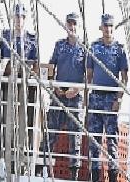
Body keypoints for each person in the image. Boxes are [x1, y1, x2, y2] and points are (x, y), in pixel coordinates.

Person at [86, 13, 128, 182]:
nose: (108, 29)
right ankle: (95, 177)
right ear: (101, 27)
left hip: (111, 99)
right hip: (96, 97)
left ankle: (112, 177)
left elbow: (125, 78)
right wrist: (87, 97)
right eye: (105, 26)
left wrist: (119, 99)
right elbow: (89, 75)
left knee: (112, 141)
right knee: (94, 141)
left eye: (110, 26)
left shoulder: (119, 49)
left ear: (113, 28)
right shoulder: (94, 47)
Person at [46, 12, 85, 180]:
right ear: (65, 25)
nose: (72, 26)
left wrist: (77, 89)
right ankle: (44, 170)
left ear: (78, 25)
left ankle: (74, 174)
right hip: (58, 93)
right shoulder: (59, 45)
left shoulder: (84, 48)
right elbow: (51, 65)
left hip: (75, 96)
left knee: (74, 136)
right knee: (51, 132)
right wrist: (51, 84)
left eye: (74, 24)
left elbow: (88, 74)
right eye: (69, 23)